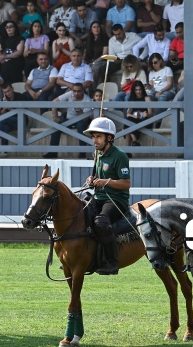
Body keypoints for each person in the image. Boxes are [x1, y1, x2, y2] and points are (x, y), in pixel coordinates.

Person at [84, 117, 131, 275]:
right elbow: (97, 177)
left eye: (98, 136)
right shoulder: (97, 153)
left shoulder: (120, 156)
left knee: (101, 222)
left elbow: (126, 184)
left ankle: (111, 262)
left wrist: (106, 182)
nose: (95, 140)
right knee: (80, 216)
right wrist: (91, 180)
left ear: (109, 138)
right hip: (99, 197)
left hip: (116, 200)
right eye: (93, 137)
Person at [43, 83, 93, 159]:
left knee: (81, 125)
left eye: (79, 91)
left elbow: (85, 119)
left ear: (83, 91)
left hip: (80, 120)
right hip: (68, 119)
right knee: (56, 127)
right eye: (74, 91)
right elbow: (54, 101)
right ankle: (52, 152)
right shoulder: (70, 94)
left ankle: (82, 152)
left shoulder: (87, 100)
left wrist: (77, 108)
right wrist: (55, 116)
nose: (76, 93)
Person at [0, 82, 32, 158]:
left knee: (2, 120)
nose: (8, 93)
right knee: (4, 127)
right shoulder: (4, 99)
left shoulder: (20, 96)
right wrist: (4, 106)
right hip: (9, 123)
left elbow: (21, 113)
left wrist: (9, 107)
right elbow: (1, 114)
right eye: (5, 92)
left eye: (9, 91)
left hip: (21, 121)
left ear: (12, 89)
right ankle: (4, 151)